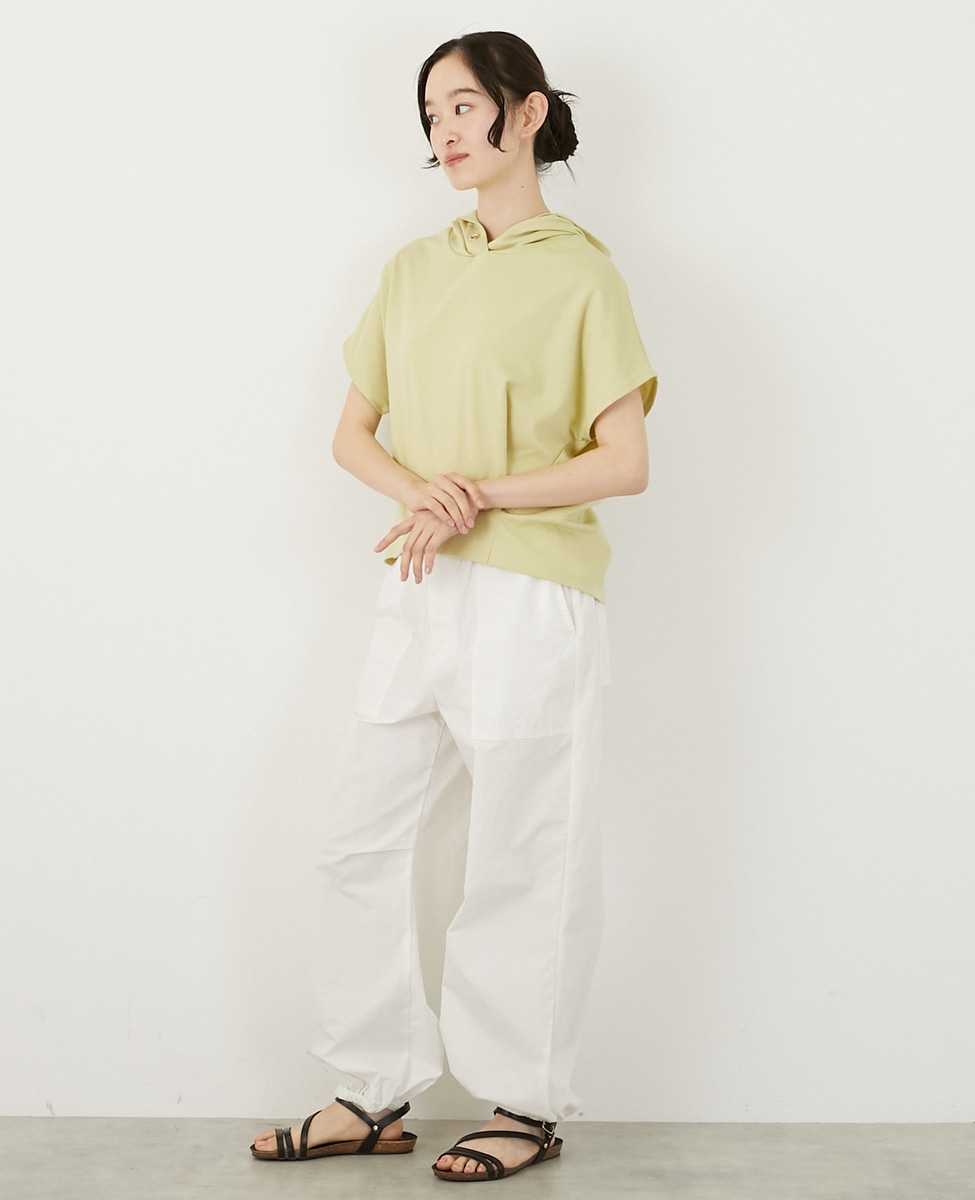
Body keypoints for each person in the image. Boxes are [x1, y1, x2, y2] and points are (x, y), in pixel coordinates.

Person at [250, 30, 657, 1182]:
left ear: (527, 114)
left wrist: (476, 493)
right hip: (420, 582)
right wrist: (421, 492)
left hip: (534, 589)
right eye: (431, 115)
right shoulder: (412, 270)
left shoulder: (582, 274)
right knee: (358, 837)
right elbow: (351, 436)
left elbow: (624, 460)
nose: (445, 132)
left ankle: (522, 1105)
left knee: (526, 845)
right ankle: (370, 1089)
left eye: (466, 106)